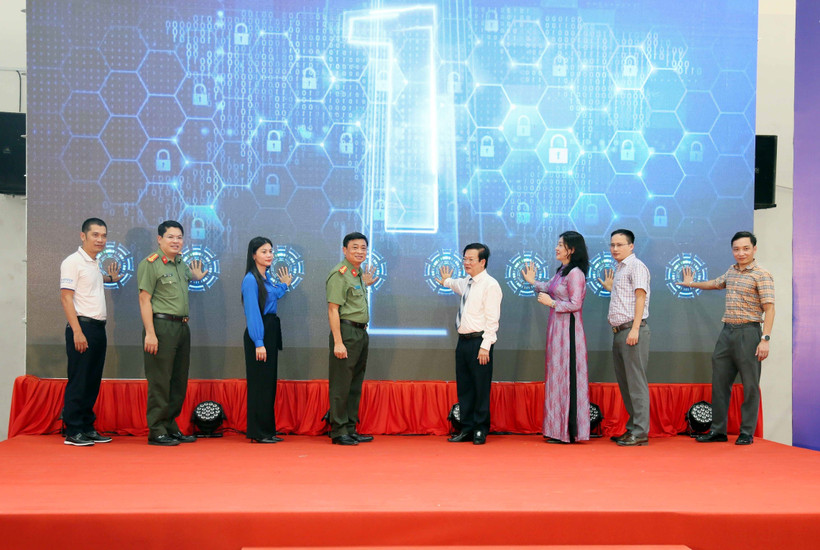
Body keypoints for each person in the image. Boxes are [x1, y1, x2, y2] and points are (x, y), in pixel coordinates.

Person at [678, 231, 774, 445]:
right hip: (727, 332)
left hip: (749, 333)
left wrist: (765, 339)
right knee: (720, 383)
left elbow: (769, 309)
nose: (741, 253)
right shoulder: (731, 271)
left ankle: (746, 432)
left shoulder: (761, 274)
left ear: (754, 249)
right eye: (736, 249)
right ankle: (718, 430)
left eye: (745, 248)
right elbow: (716, 283)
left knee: (750, 385)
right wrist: (691, 284)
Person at [137, 220, 207, 446]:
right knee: (160, 380)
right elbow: (144, 299)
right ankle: (156, 429)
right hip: (161, 327)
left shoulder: (181, 264)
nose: (176, 241)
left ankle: (170, 425)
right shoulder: (151, 263)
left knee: (178, 380)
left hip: (182, 327)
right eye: (170, 237)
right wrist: (150, 333)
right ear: (159, 239)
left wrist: (196, 277)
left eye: (179, 237)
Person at [522, 231, 590, 444]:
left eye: (561, 245)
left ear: (571, 249)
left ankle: (568, 431)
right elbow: (549, 287)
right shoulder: (562, 271)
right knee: (556, 376)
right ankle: (556, 430)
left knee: (567, 377)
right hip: (556, 329)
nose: (556, 248)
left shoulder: (575, 274)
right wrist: (534, 282)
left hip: (569, 331)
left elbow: (575, 304)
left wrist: (551, 303)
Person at [59, 218, 122, 446]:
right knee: (79, 380)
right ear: (83, 236)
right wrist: (77, 331)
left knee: (92, 380)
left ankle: (86, 426)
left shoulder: (94, 262)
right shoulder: (72, 262)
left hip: (98, 329)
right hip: (82, 327)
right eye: (95, 235)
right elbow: (66, 297)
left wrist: (111, 278)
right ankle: (73, 430)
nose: (100, 240)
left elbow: (91, 284)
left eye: (104, 235)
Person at [438, 243, 503, 445]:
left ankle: (480, 429)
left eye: (471, 259)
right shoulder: (467, 282)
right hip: (463, 342)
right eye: (465, 259)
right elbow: (454, 284)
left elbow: (493, 320)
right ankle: (466, 428)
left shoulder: (490, 285)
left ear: (482, 262)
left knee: (480, 388)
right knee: (465, 387)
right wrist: (446, 280)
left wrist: (485, 346)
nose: (466, 263)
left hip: (479, 343)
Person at [599, 229, 651, 446]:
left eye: (620, 245)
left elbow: (640, 297)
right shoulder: (620, 268)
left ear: (631, 246)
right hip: (619, 332)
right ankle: (632, 428)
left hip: (632, 331)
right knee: (626, 383)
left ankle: (640, 432)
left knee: (636, 383)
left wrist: (635, 329)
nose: (615, 249)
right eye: (612, 245)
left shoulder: (636, 266)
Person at [326, 232, 378, 446]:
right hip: (346, 333)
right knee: (341, 384)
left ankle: (350, 427)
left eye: (363, 248)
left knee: (354, 383)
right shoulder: (340, 274)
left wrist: (364, 284)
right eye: (355, 247)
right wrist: (338, 342)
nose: (360, 251)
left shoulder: (356, 274)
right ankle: (338, 431)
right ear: (344, 250)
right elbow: (332, 309)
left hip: (360, 333)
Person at [241, 237, 293, 443]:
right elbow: (253, 312)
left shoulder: (267, 278)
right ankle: (258, 432)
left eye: (271, 251)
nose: (269, 255)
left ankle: (267, 430)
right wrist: (259, 342)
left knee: (268, 384)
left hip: (271, 330)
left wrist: (284, 286)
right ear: (253, 255)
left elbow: (273, 295)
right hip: (260, 332)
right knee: (259, 384)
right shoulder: (250, 280)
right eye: (264, 251)